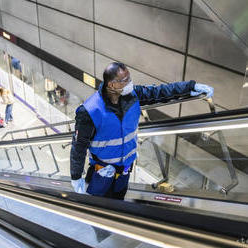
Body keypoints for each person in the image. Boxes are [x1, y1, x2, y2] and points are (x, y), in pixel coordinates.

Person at [70, 62, 214, 200]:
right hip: (101, 173)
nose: (130, 83)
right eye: (125, 80)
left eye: (129, 78)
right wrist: (76, 177)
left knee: (119, 201)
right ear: (112, 84)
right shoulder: (90, 111)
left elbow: (161, 91)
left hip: (124, 172)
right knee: (98, 208)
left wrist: (191, 87)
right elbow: (79, 147)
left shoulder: (133, 96)